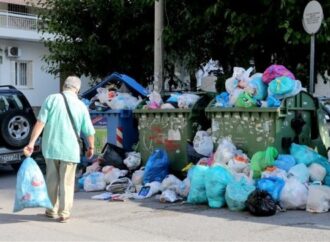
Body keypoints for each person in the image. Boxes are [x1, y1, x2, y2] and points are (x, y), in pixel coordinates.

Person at [23, 76, 95, 223]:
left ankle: (51, 210)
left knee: (51, 180)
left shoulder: (51, 99)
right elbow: (89, 131)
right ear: (77, 89)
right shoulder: (81, 105)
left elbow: (40, 123)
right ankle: (64, 212)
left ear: (64, 86)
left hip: (51, 147)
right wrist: (91, 147)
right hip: (70, 150)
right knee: (67, 182)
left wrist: (31, 143)